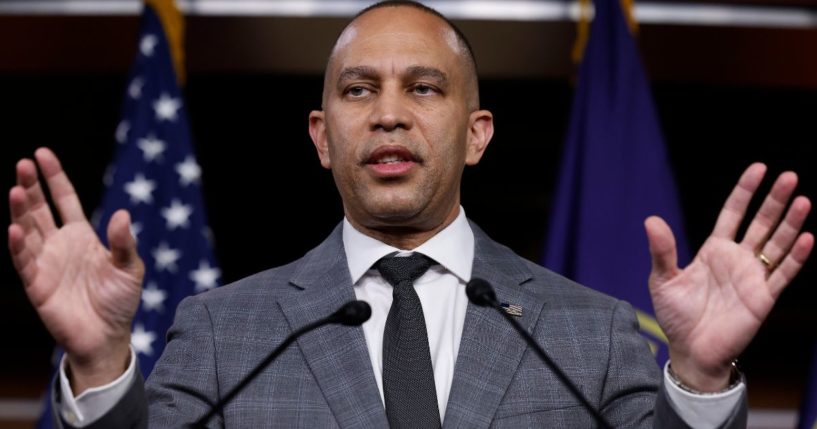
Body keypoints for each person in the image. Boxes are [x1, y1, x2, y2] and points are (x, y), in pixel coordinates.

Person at [8, 1, 813, 428]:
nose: (388, 115)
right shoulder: (224, 331)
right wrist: (102, 367)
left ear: (475, 134)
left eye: (423, 88)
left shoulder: (592, 331)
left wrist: (701, 376)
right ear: (322, 138)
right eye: (359, 90)